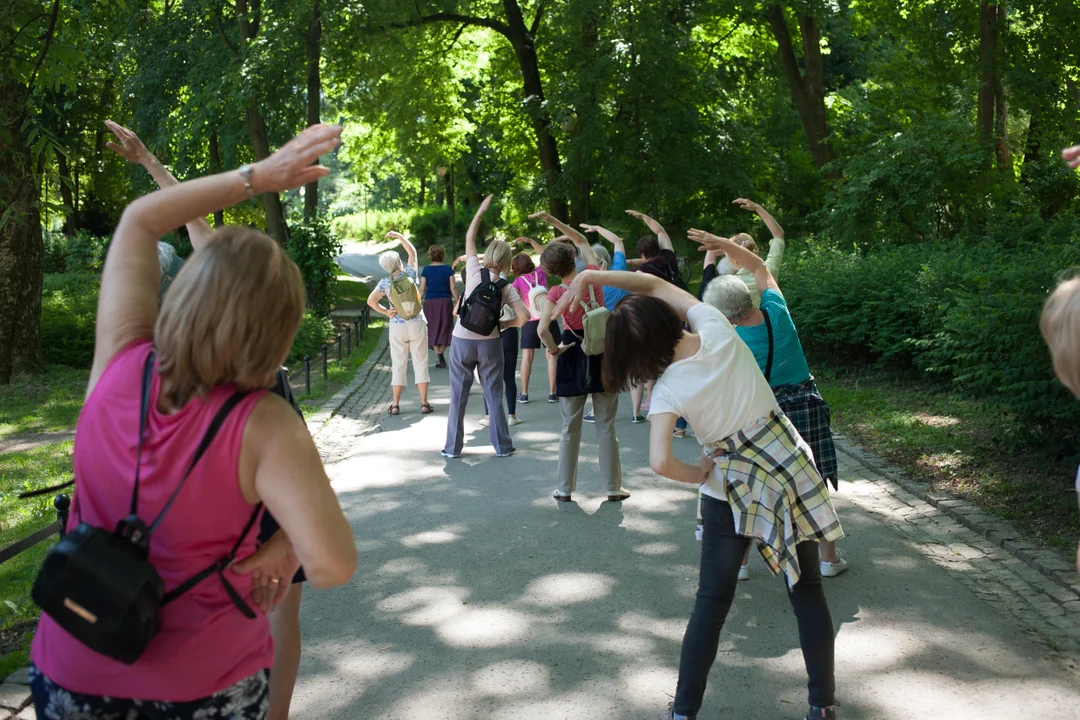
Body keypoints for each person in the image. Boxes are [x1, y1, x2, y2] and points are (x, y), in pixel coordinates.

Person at [30, 124, 358, 719]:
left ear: (181, 295)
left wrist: (259, 174)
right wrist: (283, 551)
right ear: (279, 332)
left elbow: (138, 222)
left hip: (72, 672)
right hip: (204, 687)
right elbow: (333, 563)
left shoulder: (116, 362)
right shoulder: (264, 424)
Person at [103, 120, 317, 720]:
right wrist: (148, 161)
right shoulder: (267, 384)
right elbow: (334, 556)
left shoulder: (128, 371)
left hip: (229, 467)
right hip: (268, 463)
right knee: (277, 607)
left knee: (235, 601)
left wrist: (247, 177)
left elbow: (156, 221)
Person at [559, 267, 842, 720]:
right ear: (668, 320)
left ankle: (684, 712)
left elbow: (659, 462)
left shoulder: (669, 389)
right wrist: (592, 274)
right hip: (787, 467)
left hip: (728, 487)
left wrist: (699, 471)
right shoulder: (716, 326)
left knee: (712, 602)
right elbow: (651, 284)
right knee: (806, 589)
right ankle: (821, 705)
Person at [693, 229, 846, 581]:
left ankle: (742, 564)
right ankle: (829, 559)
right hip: (805, 404)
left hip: (763, 415)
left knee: (755, 486)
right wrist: (723, 242)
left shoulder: (729, 339)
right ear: (748, 297)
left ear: (724, 316)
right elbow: (761, 266)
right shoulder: (777, 311)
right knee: (814, 481)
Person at [532, 211, 628, 504]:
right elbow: (582, 238)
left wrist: (553, 350)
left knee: (569, 427)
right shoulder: (592, 277)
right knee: (605, 426)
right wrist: (553, 220)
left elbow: (541, 329)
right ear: (573, 257)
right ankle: (612, 488)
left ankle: (564, 489)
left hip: (572, 353)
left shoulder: (555, 293)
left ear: (550, 271)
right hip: (603, 351)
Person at [442, 196, 529, 458]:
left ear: (488, 255)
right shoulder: (506, 286)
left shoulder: (472, 269)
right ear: (507, 261)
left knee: (458, 397)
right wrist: (506, 323)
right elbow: (524, 316)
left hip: (462, 339)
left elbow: (470, 237)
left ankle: (453, 449)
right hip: (491, 343)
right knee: (494, 395)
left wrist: (480, 211)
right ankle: (502, 446)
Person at [367, 232, 432, 416]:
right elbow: (412, 252)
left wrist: (386, 311)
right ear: (399, 263)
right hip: (417, 322)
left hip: (397, 325)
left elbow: (371, 301)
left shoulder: (384, 283)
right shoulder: (410, 274)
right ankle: (424, 403)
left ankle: (395, 405)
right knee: (420, 362)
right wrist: (398, 236)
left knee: (398, 364)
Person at [701, 199, 786, 309]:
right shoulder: (769, 268)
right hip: (776, 323)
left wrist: (724, 247)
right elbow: (778, 234)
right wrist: (757, 207)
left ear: (734, 259)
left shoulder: (732, 285)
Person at [512, 252, 559, 406]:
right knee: (552, 355)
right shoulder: (541, 272)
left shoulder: (518, 281)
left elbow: (510, 298)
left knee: (527, 357)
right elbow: (546, 252)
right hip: (548, 317)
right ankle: (553, 393)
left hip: (530, 321)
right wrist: (531, 241)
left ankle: (524, 393)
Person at [481, 266, 522, 427]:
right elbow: (522, 312)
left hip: (490, 331)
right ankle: (511, 414)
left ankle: (488, 415)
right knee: (509, 375)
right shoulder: (508, 287)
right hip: (509, 331)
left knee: (488, 374)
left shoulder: (481, 288)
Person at [420, 244, 458, 368]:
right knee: (446, 327)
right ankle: (441, 353)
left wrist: (416, 303)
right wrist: (459, 301)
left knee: (432, 327)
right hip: (445, 301)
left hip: (430, 302)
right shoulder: (448, 269)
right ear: (443, 255)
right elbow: (453, 288)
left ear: (430, 256)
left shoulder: (426, 270)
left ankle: (438, 354)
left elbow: (422, 289)